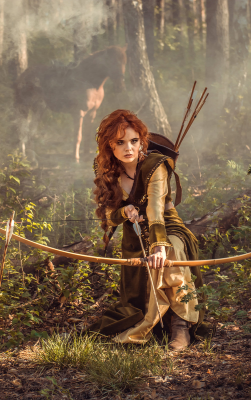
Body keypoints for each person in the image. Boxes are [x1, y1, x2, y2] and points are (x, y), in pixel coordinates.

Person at [88, 109, 208, 350]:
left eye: (134, 141)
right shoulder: (105, 169)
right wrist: (125, 212)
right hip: (134, 237)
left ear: (142, 141)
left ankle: (181, 326)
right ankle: (153, 324)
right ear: (109, 146)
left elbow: (155, 209)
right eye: (120, 143)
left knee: (171, 252)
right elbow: (109, 217)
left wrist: (159, 247)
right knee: (132, 307)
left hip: (167, 227)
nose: (128, 148)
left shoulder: (156, 165)